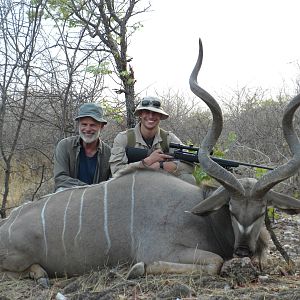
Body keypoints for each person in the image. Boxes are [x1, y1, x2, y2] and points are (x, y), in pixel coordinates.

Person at [109, 96, 194, 183]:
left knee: (188, 178)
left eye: (155, 112)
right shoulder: (124, 138)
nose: (151, 116)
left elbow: (189, 165)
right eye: (146, 111)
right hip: (133, 184)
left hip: (160, 184)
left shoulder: (169, 138)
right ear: (141, 114)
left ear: (160, 115)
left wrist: (161, 165)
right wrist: (146, 162)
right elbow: (116, 172)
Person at [54, 103, 111, 192]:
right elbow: (60, 179)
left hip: (96, 199)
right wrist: (88, 189)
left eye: (92, 125)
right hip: (68, 197)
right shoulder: (64, 146)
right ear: (79, 125)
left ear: (101, 126)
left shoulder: (109, 153)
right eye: (84, 124)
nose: (87, 129)